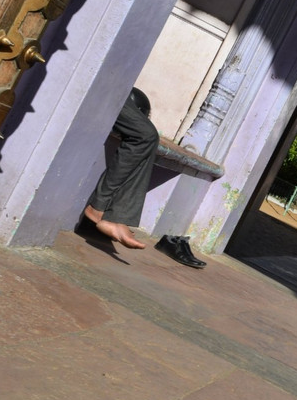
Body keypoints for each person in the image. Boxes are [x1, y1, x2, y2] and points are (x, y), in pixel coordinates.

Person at [79, 88, 205, 268]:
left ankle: (117, 217)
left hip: (117, 84)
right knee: (145, 135)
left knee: (149, 138)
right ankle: (98, 207)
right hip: (104, 84)